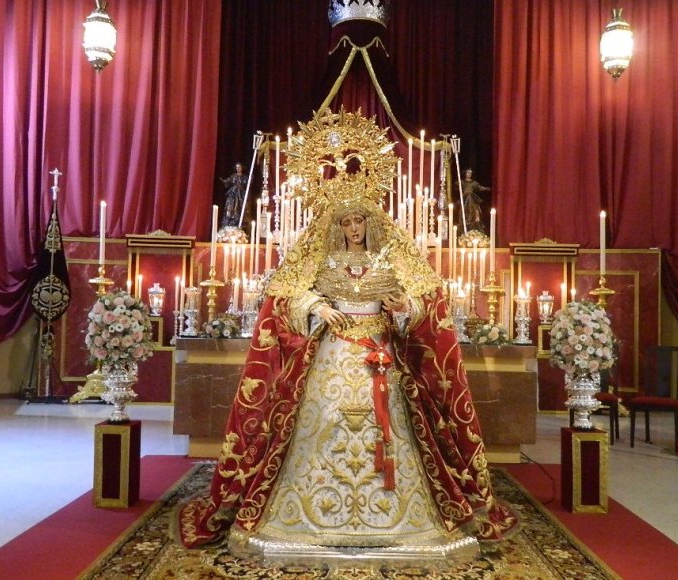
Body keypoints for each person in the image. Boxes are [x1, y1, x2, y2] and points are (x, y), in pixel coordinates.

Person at [172, 110, 517, 566]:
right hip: (332, 356)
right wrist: (315, 306)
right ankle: (308, 511)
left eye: (359, 221)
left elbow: (423, 301)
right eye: (347, 222)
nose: (354, 229)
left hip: (381, 355)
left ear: (370, 222)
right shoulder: (321, 259)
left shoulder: (390, 259)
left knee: (388, 429)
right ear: (336, 225)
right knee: (324, 422)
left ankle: (398, 515)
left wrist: (404, 307)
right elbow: (283, 294)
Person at [456, 167, 490, 232]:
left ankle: (473, 222)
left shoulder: (473, 183)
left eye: (470, 173)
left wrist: (485, 188)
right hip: (464, 199)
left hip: (472, 198)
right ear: (465, 173)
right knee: (464, 210)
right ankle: (465, 222)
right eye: (468, 172)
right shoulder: (462, 182)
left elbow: (479, 187)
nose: (469, 174)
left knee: (474, 210)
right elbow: (456, 185)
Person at [220, 162, 248, 228]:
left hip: (240, 194)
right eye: (237, 167)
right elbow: (228, 181)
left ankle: (238, 220)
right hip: (233, 193)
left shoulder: (244, 177)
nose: (238, 168)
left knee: (239, 206)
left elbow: (247, 182)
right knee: (230, 205)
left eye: (239, 167)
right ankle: (230, 219)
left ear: (241, 168)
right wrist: (224, 181)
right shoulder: (233, 176)